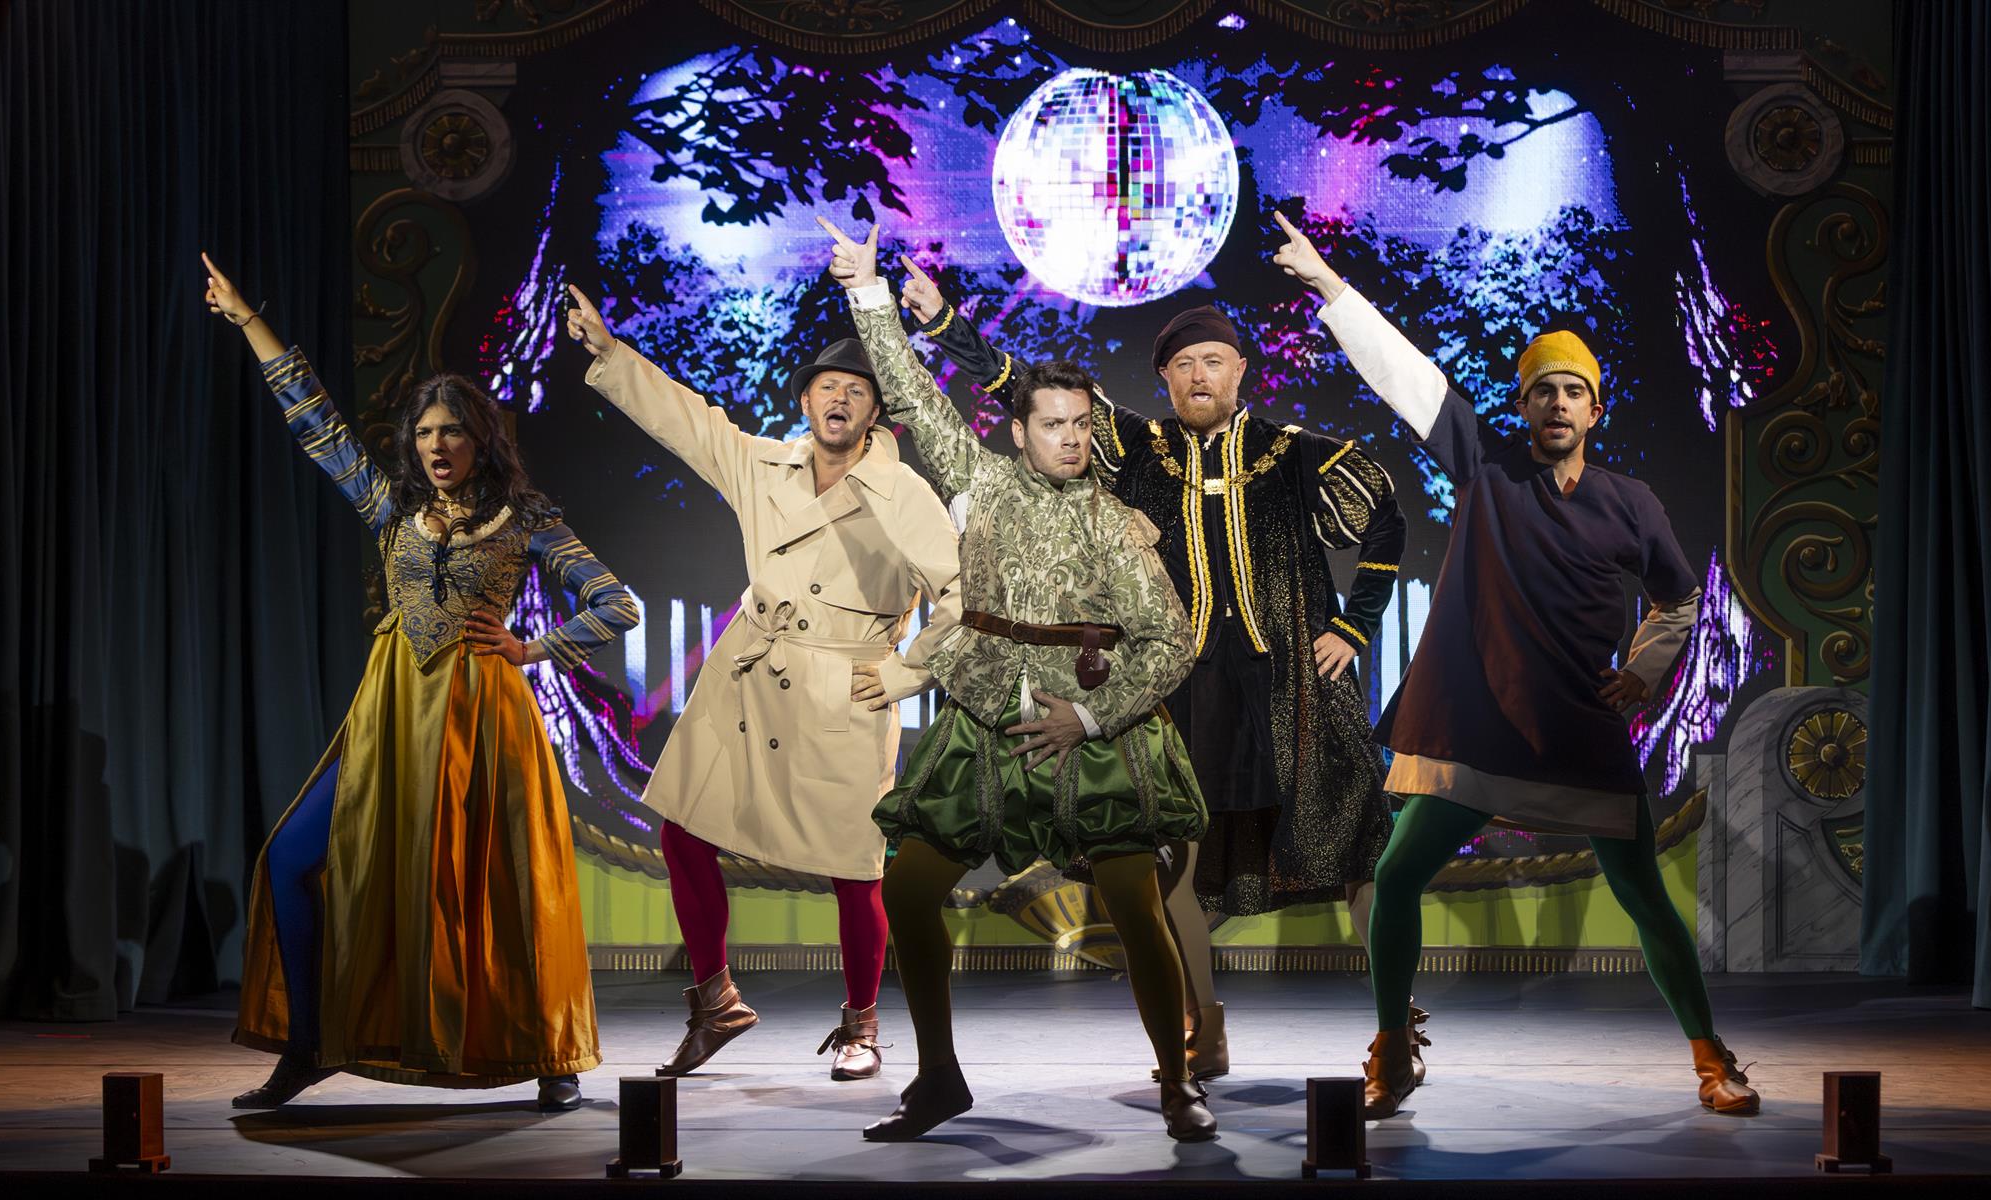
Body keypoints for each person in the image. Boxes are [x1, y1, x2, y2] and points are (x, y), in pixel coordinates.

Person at [1268, 214, 1760, 1119]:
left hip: (1576, 728)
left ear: (1595, 410)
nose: (1558, 405)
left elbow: (1678, 599)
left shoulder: (1630, 503)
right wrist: (1330, 287)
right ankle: (1391, 1047)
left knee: (1645, 898)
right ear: (1522, 408)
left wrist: (1643, 670)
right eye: (1543, 392)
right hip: (1478, 724)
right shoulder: (1487, 470)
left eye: (1574, 392)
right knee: (1397, 877)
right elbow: (1408, 379)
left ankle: (1709, 1054)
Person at [897, 254, 1410, 1083]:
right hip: (1181, 686)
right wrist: (941, 322)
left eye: (1213, 361)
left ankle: (1393, 1028)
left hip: (1294, 684)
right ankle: (1201, 1020)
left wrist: (1354, 625)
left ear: (1240, 370)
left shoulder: (1294, 453)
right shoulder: (1139, 448)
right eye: (1182, 364)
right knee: (1175, 857)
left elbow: (1385, 515)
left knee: (1353, 847)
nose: (1198, 376)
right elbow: (1022, 389)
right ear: (1163, 378)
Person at [205, 253, 637, 1111]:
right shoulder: (392, 510)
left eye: (453, 432)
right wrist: (251, 323)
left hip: (481, 719)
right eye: (426, 433)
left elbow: (616, 602)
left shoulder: (525, 518)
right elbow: (316, 423)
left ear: (482, 440)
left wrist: (533, 648)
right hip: (392, 712)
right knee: (291, 859)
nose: (437, 445)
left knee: (500, 883)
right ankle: (310, 1043)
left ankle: (549, 1054)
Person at [818, 219, 1214, 1142]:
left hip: (1091, 730)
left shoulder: (1114, 523)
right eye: (1053, 425)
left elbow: (1171, 642)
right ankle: (938, 1078)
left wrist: (1091, 715)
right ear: (1019, 431)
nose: (1071, 440)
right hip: (986, 718)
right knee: (908, 891)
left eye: (1081, 425)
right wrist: (867, 293)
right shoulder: (983, 483)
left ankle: (1175, 1080)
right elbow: (909, 392)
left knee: (1135, 905)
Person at [566, 283, 962, 1081]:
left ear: (876, 412)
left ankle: (860, 1025)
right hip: (747, 675)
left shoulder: (902, 492)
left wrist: (903, 673)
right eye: (826, 387)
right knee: (684, 831)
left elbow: (961, 595)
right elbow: (689, 422)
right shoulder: (764, 464)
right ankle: (715, 1002)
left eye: (856, 391)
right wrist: (610, 352)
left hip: (842, 686)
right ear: (804, 400)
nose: (838, 400)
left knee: (854, 869)